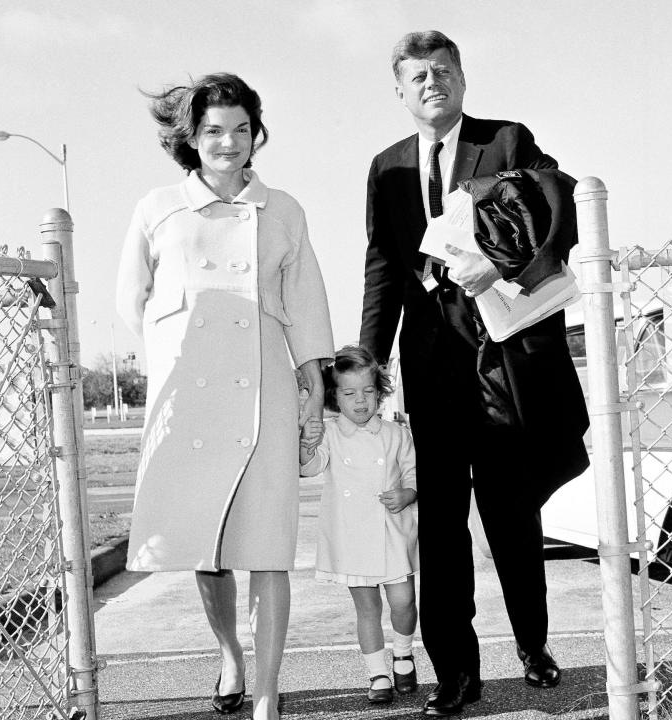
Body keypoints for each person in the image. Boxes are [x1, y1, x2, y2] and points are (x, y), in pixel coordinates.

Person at [359, 31, 589, 717]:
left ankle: (534, 644)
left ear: (461, 78)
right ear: (400, 92)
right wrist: (372, 360)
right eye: (417, 76)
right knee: (442, 527)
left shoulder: (507, 141)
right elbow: (383, 268)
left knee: (510, 514)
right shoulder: (387, 168)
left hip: (503, 360)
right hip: (431, 371)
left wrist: (505, 261)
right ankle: (455, 673)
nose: (432, 83)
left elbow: (554, 208)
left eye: (442, 70)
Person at [116, 73, 334, 720]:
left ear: (255, 133)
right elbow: (130, 302)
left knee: (268, 544)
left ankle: (267, 693)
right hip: (192, 396)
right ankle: (230, 655)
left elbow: (307, 300)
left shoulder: (284, 209)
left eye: (242, 129)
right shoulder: (157, 208)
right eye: (214, 130)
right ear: (192, 136)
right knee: (208, 546)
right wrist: (172, 353)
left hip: (265, 389)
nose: (229, 143)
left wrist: (312, 375)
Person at [299, 346, 419, 705]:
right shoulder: (331, 434)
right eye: (350, 393)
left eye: (368, 391)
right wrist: (307, 442)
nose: (361, 401)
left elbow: (413, 470)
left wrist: (409, 493)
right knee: (367, 609)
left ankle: (403, 652)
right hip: (352, 535)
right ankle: (377, 672)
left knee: (404, 599)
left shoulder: (396, 433)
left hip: (391, 531)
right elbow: (310, 467)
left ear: (380, 392)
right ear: (335, 396)